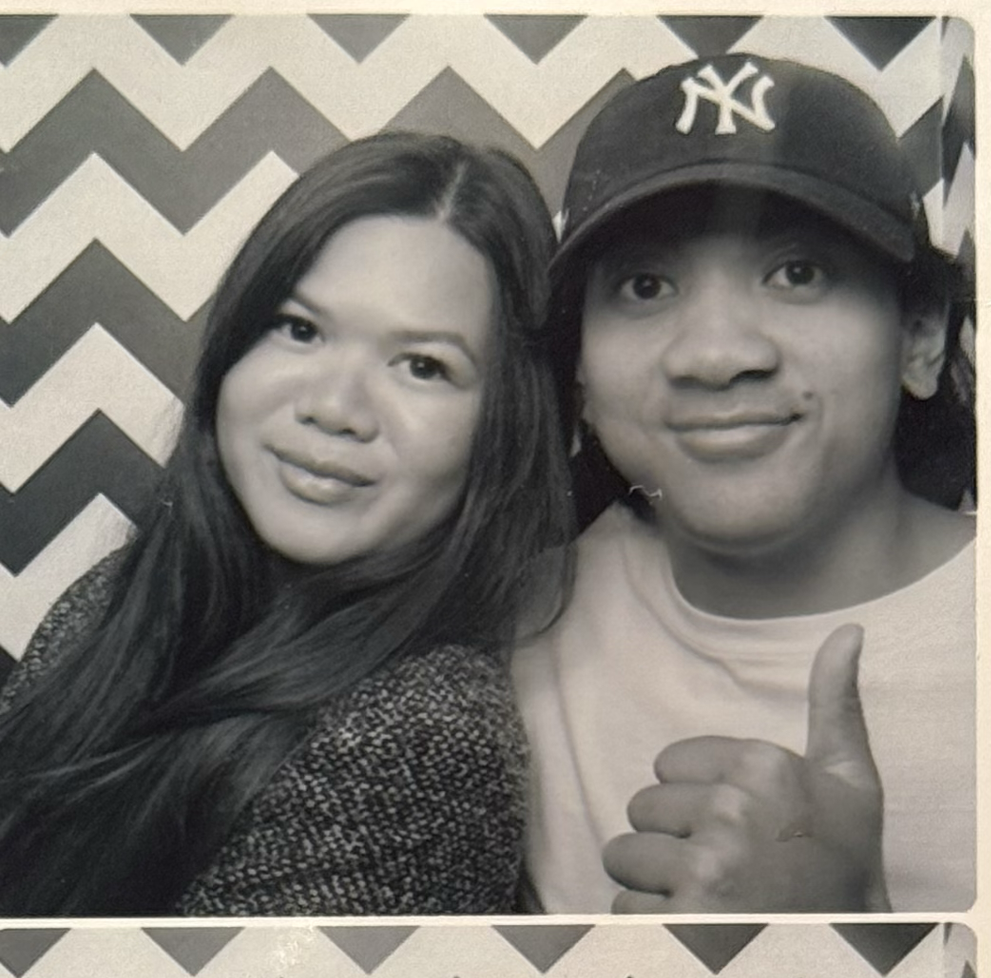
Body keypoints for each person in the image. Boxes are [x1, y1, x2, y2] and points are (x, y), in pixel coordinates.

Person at [0, 134, 569, 916]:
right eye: (300, 328)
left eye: (424, 366)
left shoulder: (421, 742)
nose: (334, 408)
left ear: (504, 424)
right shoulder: (116, 599)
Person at [514, 54, 975, 914]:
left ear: (918, 336)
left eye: (798, 272)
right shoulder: (508, 626)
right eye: (645, 285)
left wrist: (848, 922)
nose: (718, 355)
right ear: (578, 370)